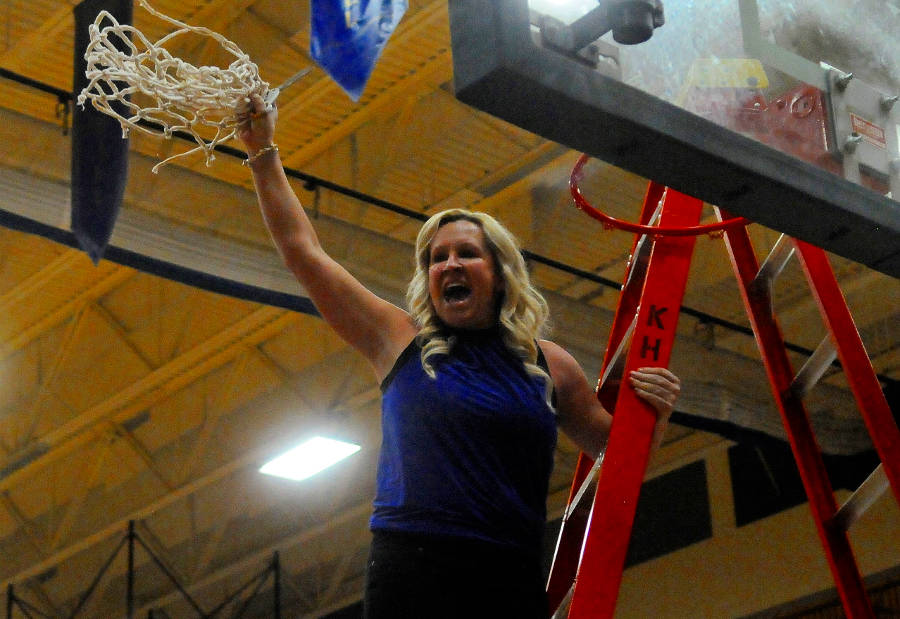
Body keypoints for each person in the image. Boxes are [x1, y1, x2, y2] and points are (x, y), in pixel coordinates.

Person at [236, 94, 680, 618]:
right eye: (437, 258)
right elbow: (302, 252)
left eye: (466, 253)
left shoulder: (550, 364)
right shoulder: (397, 339)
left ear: (499, 274)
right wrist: (263, 152)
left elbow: (619, 451)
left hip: (508, 570)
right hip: (413, 567)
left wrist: (659, 416)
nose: (449, 264)